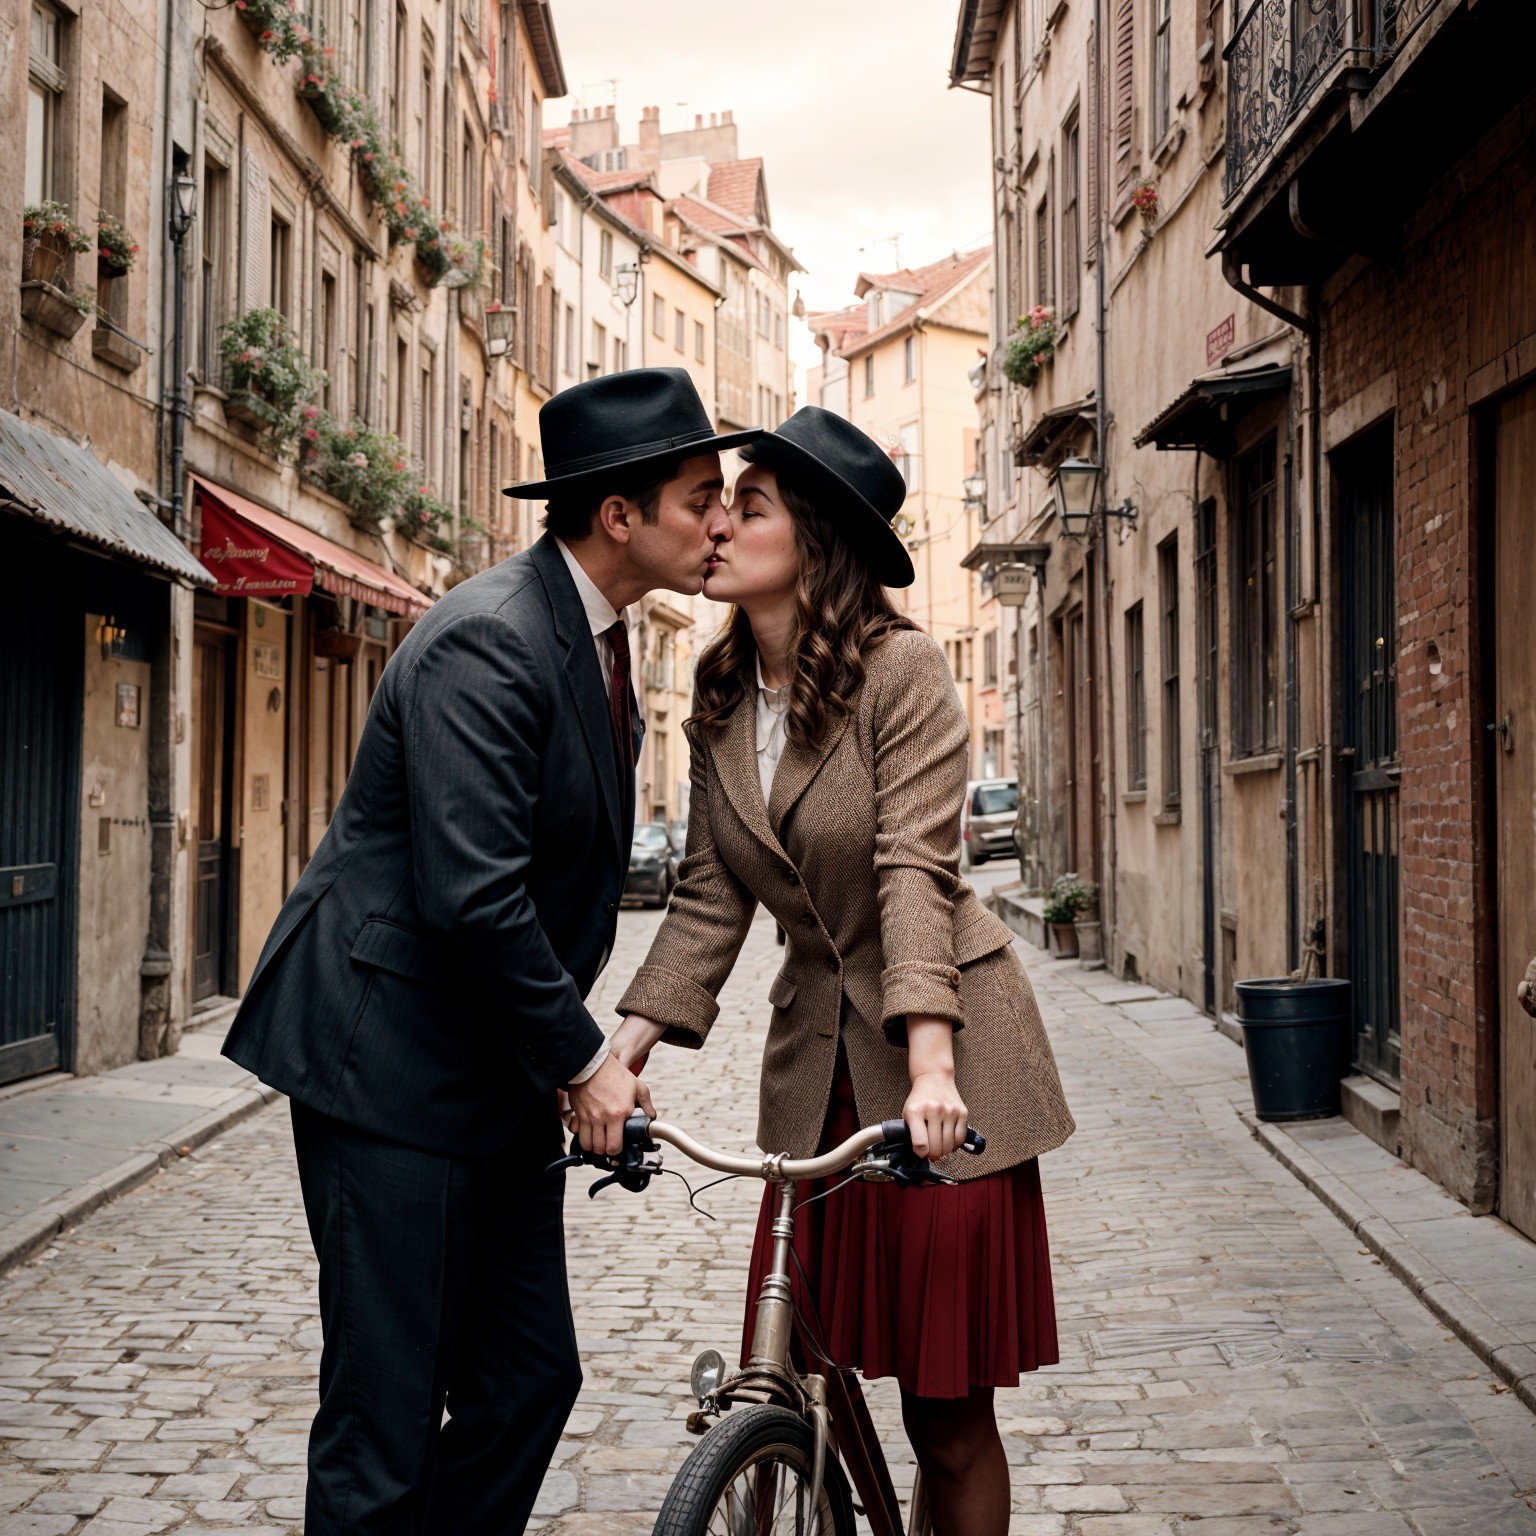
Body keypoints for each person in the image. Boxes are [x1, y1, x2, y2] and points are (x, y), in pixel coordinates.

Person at [221, 368, 760, 1536]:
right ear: (617, 516)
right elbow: (473, 898)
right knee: (387, 1423)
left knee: (527, 1382)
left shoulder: (598, 637)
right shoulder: (492, 639)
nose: (722, 520)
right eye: (697, 496)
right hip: (392, 1071)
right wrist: (582, 1062)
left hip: (490, 1076)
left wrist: (568, 1061)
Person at [610, 407, 1076, 1536]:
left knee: (946, 1419)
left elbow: (915, 866)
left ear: (814, 542)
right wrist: (614, 1059)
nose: (716, 523)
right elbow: (711, 902)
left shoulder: (901, 670)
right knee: (793, 1368)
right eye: (719, 502)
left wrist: (931, 1066)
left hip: (942, 1065)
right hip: (811, 1066)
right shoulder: (721, 703)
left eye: (747, 506)